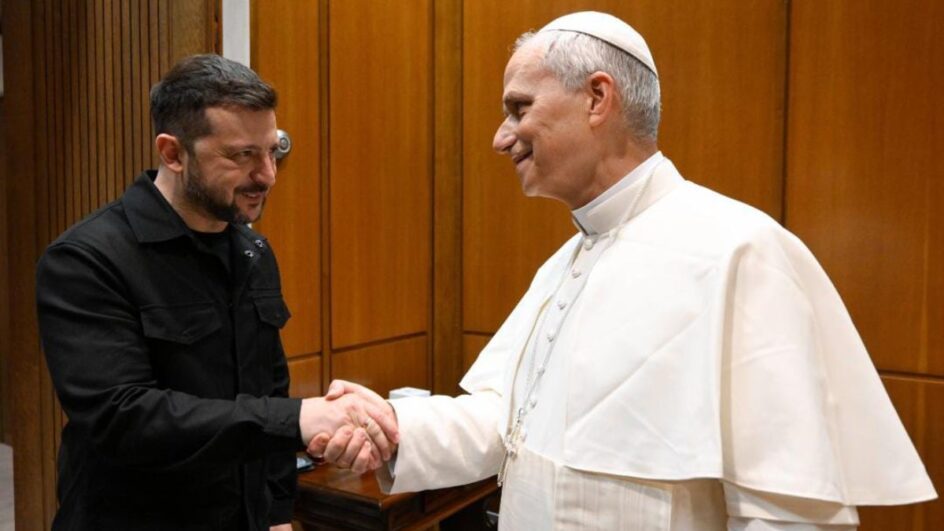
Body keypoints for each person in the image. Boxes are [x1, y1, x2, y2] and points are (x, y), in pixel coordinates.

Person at [311, 11, 936, 530]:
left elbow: (791, 508)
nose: (503, 139)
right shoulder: (566, 261)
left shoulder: (739, 249)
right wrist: (398, 427)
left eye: (519, 107)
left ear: (597, 98)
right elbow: (509, 421)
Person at [35, 54, 396, 530]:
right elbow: (122, 419)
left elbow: (268, 387)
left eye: (273, 150)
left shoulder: (252, 250)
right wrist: (297, 421)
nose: (267, 174)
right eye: (241, 155)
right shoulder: (85, 259)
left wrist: (276, 512)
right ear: (172, 153)